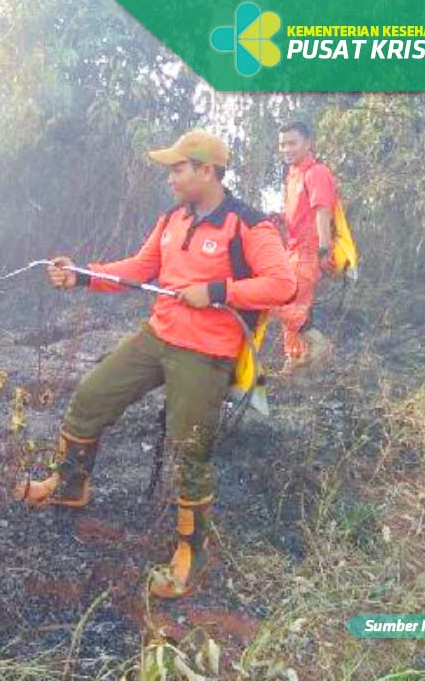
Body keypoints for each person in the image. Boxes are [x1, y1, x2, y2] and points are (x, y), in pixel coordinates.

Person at [15, 130, 295, 599]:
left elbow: (282, 284)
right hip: (157, 336)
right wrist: (82, 276)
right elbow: (139, 268)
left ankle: (190, 552)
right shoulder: (172, 218)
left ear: (207, 171)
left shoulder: (248, 224)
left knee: (189, 449)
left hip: (206, 351)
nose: (170, 177)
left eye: (178, 169)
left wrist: (220, 291)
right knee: (90, 397)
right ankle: (69, 486)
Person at [272, 120, 338, 372]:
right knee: (291, 309)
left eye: (292, 143)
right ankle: (296, 364)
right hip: (292, 251)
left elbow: (322, 211)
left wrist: (323, 250)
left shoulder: (316, 172)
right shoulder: (293, 174)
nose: (286, 149)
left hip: (307, 253)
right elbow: (300, 214)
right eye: (282, 144)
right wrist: (280, 216)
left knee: (277, 300)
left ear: (308, 144)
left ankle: (317, 345)